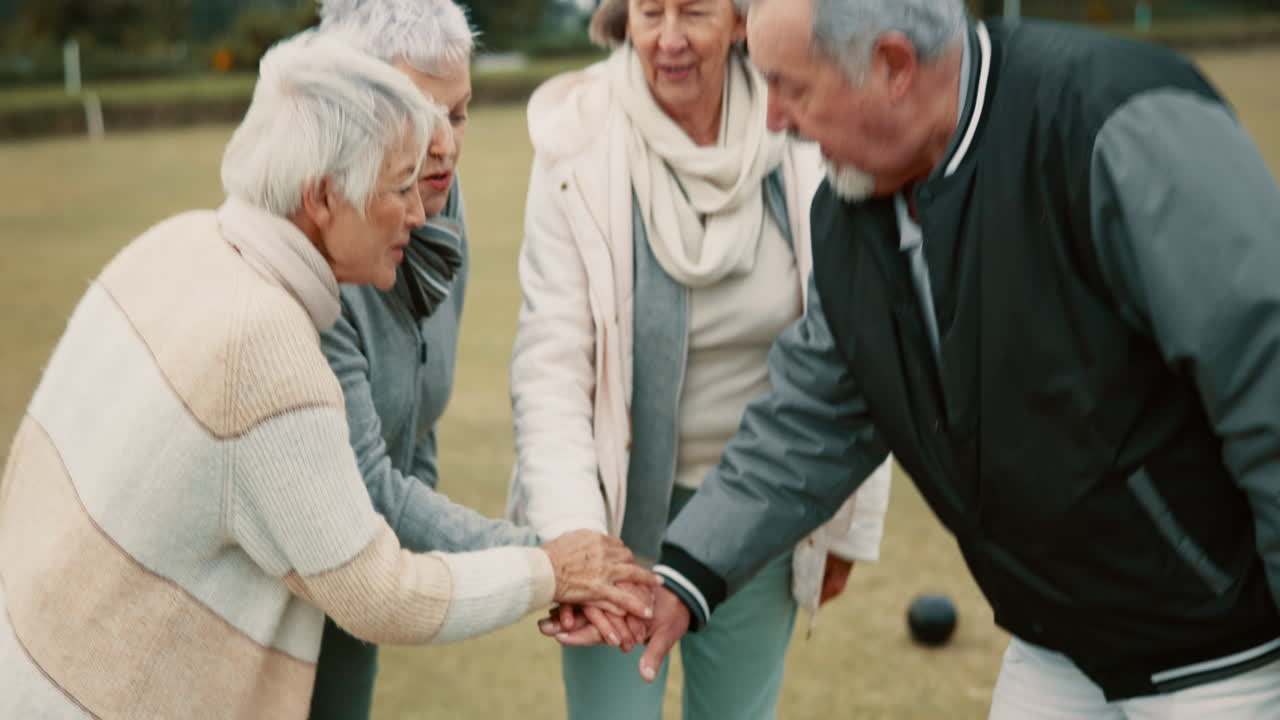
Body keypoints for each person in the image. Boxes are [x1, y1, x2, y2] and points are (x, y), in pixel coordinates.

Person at [614, 0, 1280, 717]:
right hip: (1057, 648)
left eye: (791, 86)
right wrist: (687, 572)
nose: (774, 118)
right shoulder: (850, 208)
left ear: (893, 65)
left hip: (1225, 658)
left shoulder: (1115, 122)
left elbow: (1265, 377)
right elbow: (815, 415)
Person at [0, 31, 655, 719]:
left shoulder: (178, 242)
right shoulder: (266, 347)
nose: (416, 214)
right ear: (321, 197)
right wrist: (551, 568)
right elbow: (380, 594)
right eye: (398, 188)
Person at [506, 0, 892, 717]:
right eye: (650, 11)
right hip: (613, 519)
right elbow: (551, 365)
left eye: (694, 11)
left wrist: (848, 524)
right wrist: (578, 542)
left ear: (742, 20)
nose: (670, 38)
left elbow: (857, 340)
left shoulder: (801, 124)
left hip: (761, 510)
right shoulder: (577, 136)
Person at [307, 3, 540, 717]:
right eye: (419, 115)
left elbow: (415, 421)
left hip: (353, 579)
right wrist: (539, 561)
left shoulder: (439, 210)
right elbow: (369, 489)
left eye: (459, 114)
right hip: (266, 598)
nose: (444, 146)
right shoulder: (312, 257)